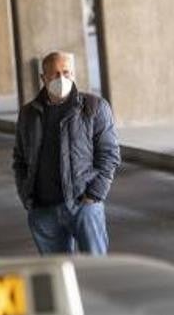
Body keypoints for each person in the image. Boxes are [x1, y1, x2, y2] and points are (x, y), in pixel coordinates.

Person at [12, 51, 120, 255]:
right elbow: (19, 158)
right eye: (55, 74)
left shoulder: (94, 107)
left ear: (74, 75)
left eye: (67, 73)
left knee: (96, 270)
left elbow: (109, 154)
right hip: (43, 211)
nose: (61, 79)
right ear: (43, 78)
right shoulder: (28, 113)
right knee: (59, 275)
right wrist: (26, 196)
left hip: (84, 206)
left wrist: (94, 195)